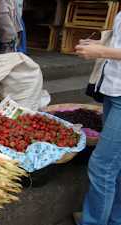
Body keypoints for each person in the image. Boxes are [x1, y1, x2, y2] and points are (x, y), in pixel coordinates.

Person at [73, 12, 121, 225]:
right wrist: (101, 43)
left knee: (102, 165)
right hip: (114, 89)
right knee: (115, 165)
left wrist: (101, 51)